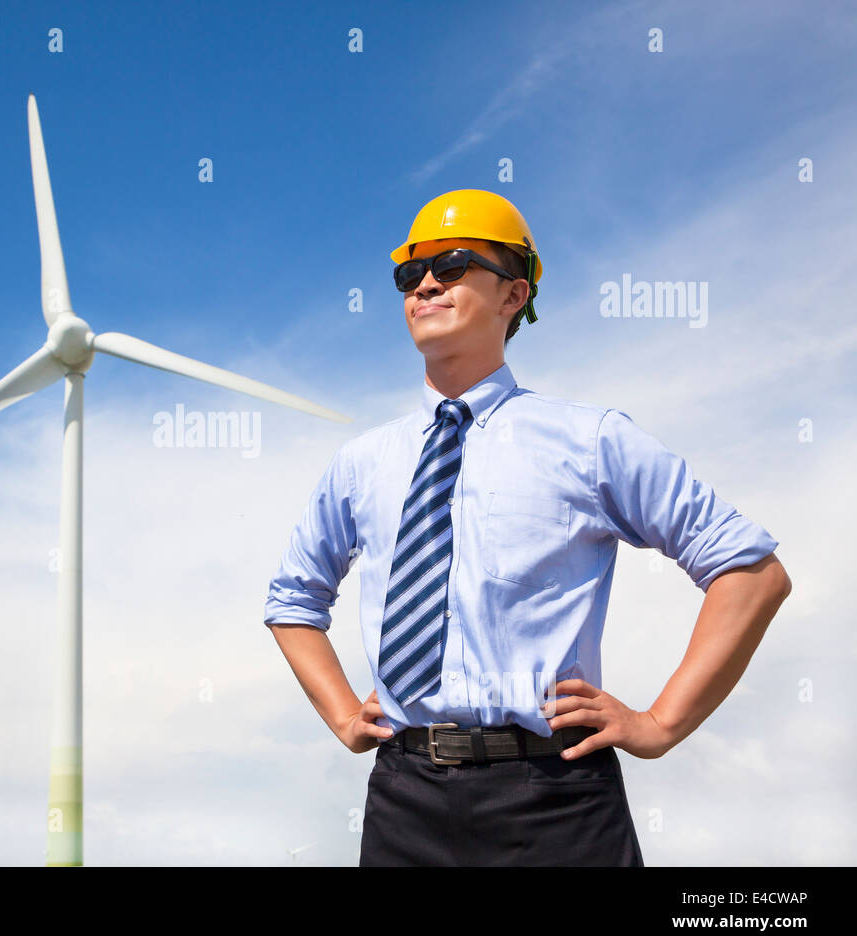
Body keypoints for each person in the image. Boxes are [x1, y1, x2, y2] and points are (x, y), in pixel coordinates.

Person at [262, 189, 792, 866]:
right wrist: (341, 711)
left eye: (451, 266)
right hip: (405, 799)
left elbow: (751, 573)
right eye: (409, 274)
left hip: (557, 798)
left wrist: (659, 724)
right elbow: (292, 601)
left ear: (514, 295)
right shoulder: (362, 463)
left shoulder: (590, 440)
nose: (425, 283)